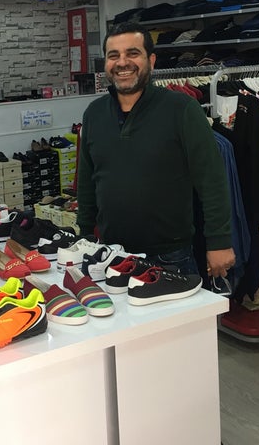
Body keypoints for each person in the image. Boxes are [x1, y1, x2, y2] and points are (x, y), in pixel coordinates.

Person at [76, 22, 235, 279]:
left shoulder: (182, 109)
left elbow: (212, 181)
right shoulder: (94, 114)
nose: (122, 62)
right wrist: (84, 234)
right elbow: (87, 181)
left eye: (132, 53)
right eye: (114, 55)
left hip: (170, 257)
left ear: (151, 60)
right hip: (111, 255)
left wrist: (219, 241)